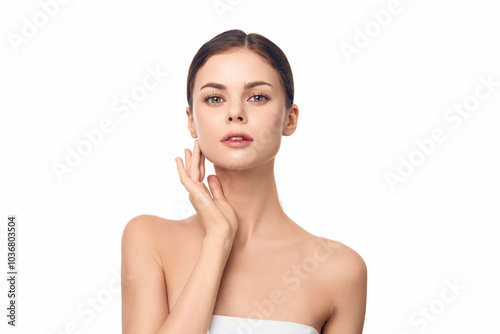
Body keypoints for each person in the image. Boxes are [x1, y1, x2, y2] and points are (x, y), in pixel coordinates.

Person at [121, 29, 367, 334]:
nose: (236, 112)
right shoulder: (149, 239)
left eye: (257, 97)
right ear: (190, 120)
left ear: (290, 119)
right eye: (214, 98)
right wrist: (217, 240)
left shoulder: (340, 270)